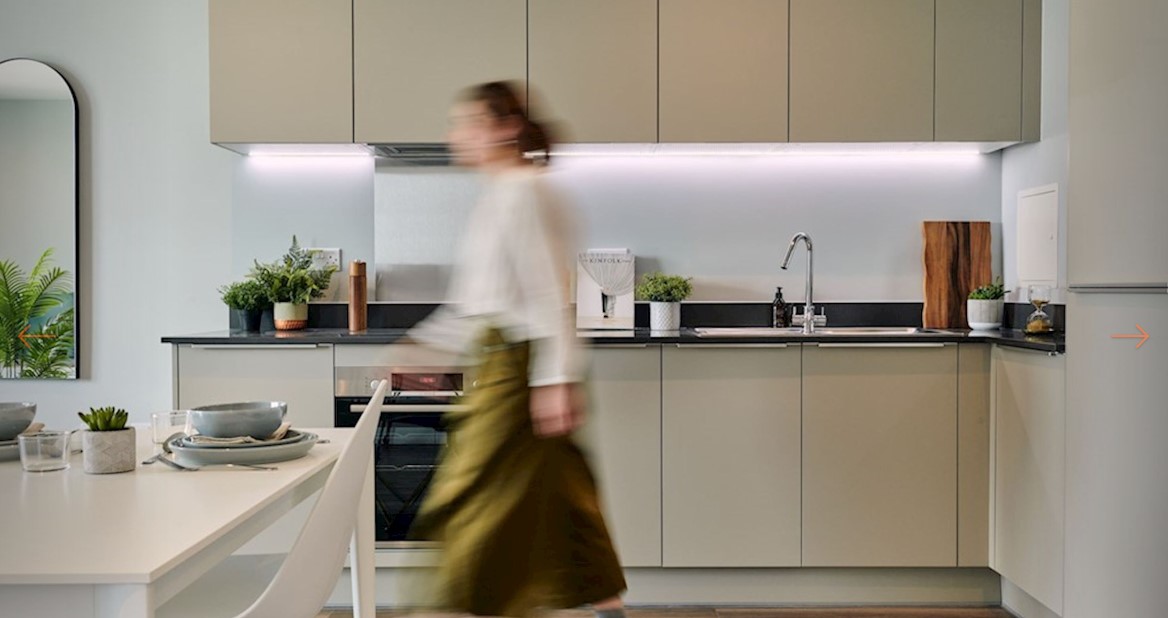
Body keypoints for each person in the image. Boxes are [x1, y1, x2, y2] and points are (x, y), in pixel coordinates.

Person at [407, 81, 627, 618]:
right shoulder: (502, 193)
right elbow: (474, 304)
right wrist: (425, 347)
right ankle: (607, 608)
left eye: (466, 123)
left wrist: (555, 378)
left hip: (518, 364)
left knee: (471, 495)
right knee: (559, 493)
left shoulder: (524, 191)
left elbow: (552, 291)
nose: (453, 135)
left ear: (503, 127)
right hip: (502, 356)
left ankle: (463, 605)